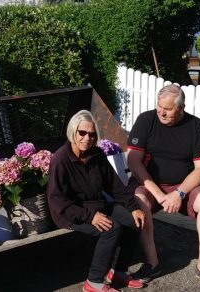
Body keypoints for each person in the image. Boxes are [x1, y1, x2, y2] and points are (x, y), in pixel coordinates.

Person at [126, 84, 200, 289]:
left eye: (167, 108)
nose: (161, 112)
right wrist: (157, 193)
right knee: (139, 200)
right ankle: (152, 262)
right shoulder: (146, 120)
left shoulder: (196, 126)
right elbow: (133, 161)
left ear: (181, 108)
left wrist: (179, 193)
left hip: (183, 186)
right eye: (159, 106)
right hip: (148, 184)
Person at [48, 110, 147, 292]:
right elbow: (57, 201)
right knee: (112, 228)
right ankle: (93, 282)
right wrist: (90, 216)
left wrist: (133, 207)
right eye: (82, 133)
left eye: (92, 134)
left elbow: (115, 186)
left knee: (134, 221)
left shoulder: (97, 154)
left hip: (97, 205)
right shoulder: (60, 159)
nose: (87, 138)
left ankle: (118, 272)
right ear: (73, 132)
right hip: (71, 212)